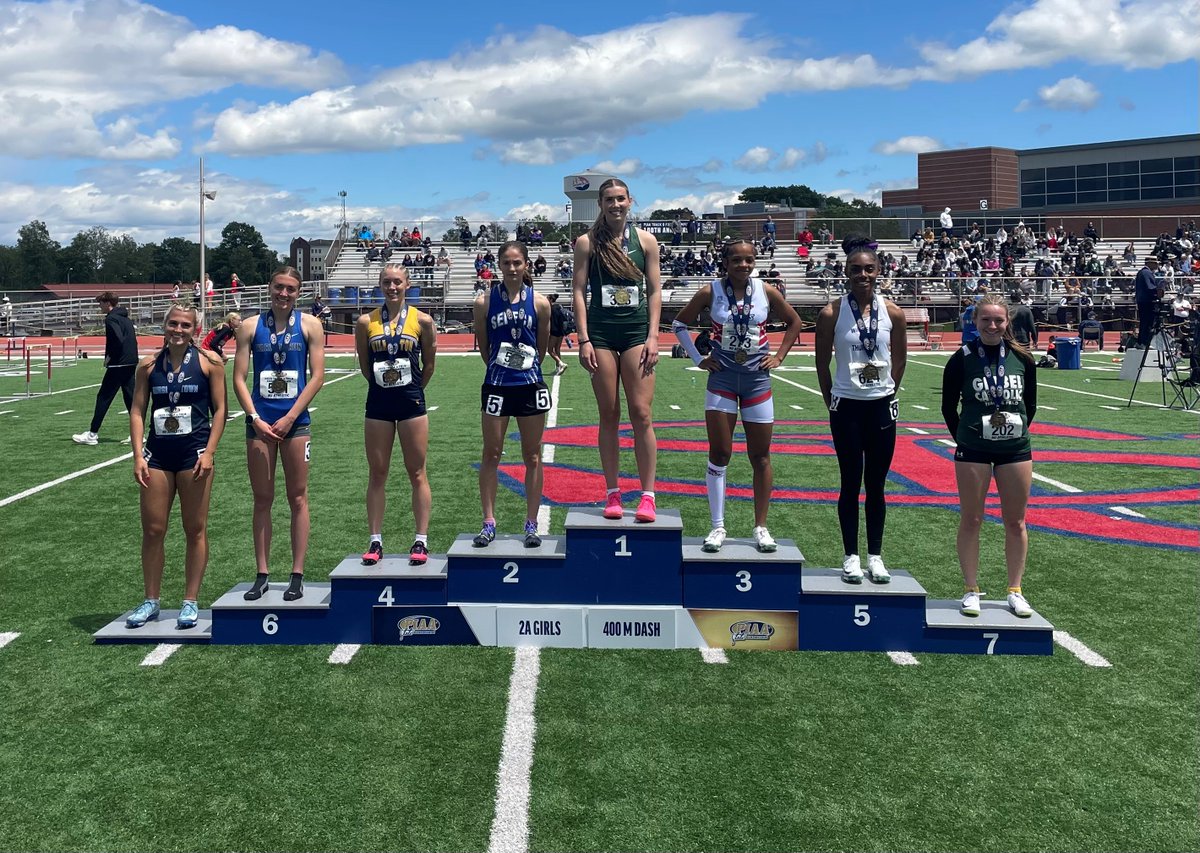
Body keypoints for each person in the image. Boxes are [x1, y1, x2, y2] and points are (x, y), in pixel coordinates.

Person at [672, 239, 802, 552]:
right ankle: (717, 527)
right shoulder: (710, 291)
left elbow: (795, 322)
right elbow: (679, 324)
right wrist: (698, 358)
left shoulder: (766, 291)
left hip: (757, 380)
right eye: (737, 260)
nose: (743, 265)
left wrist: (780, 357)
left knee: (760, 456)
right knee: (720, 453)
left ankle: (761, 527)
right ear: (726, 263)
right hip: (723, 379)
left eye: (749, 260)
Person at [124, 303, 226, 630]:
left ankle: (190, 601)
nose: (178, 330)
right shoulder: (148, 365)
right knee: (153, 530)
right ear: (164, 325)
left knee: (194, 529)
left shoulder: (210, 363)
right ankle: (151, 600)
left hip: (193, 454)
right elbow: (138, 410)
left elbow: (221, 410)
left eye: (185, 325)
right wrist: (138, 454)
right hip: (158, 455)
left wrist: (209, 451)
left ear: (195, 329)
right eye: (173, 324)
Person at [815, 235, 908, 584]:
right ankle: (851, 555)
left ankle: (876, 556)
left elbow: (900, 359)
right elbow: (821, 364)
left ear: (879, 271)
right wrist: (832, 401)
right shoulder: (831, 314)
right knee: (850, 482)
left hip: (881, 408)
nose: (862, 275)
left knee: (877, 485)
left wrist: (888, 391)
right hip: (847, 409)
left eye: (869, 269)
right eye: (856, 269)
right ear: (846, 272)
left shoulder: (892, 313)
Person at [941, 295, 1038, 618]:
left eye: (998, 320)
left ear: (1007, 322)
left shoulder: (1022, 358)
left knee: (1016, 521)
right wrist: (966, 437)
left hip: (1015, 449)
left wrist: (1015, 431)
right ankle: (971, 588)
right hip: (973, 449)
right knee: (972, 518)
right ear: (975, 322)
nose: (992, 326)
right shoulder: (962, 358)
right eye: (986, 320)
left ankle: (1015, 589)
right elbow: (948, 406)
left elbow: (1031, 404)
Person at [232, 267, 326, 601]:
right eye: (278, 288)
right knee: (262, 499)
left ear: (298, 292)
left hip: (295, 423)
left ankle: (297, 574)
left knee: (298, 497)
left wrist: (290, 417)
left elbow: (317, 377)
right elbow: (239, 378)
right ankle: (262, 573)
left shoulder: (311, 325)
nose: (283, 294)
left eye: (290, 289)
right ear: (269, 288)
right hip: (259, 424)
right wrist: (254, 417)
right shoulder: (249, 326)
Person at [571, 178, 662, 522]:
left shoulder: (646, 241)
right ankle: (612, 492)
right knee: (609, 414)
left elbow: (654, 290)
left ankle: (648, 495)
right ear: (600, 204)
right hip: (602, 335)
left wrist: (654, 336)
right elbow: (579, 291)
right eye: (609, 200)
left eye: (621, 199)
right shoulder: (587, 242)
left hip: (637, 332)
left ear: (630, 201)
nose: (615, 205)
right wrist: (583, 339)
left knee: (641, 413)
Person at [355, 263, 438, 567]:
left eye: (397, 282)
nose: (392, 287)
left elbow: (429, 364)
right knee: (377, 473)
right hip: (378, 404)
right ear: (380, 285)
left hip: (411, 404)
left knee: (417, 472)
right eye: (387, 282)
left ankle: (421, 539)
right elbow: (365, 365)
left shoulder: (423, 321)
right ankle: (375, 541)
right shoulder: (366, 322)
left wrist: (414, 388)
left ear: (407, 284)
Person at [471, 242, 552, 548]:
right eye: (507, 262)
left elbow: (541, 345)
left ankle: (531, 523)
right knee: (491, 453)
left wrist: (526, 367)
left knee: (532, 455)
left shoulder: (541, 303)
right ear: (499, 265)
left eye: (518, 262)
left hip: (530, 384)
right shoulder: (484, 302)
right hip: (497, 385)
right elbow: (483, 344)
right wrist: (500, 369)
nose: (512, 268)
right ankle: (488, 521)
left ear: (527, 265)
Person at [73, 292, 138, 446]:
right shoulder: (125, 318)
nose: (99, 306)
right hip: (130, 362)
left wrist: (110, 356)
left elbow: (117, 339)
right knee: (131, 400)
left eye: (101, 303)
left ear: (108, 303)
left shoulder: (111, 318)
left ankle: (92, 434)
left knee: (104, 397)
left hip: (118, 364)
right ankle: (138, 434)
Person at [1134, 256, 1163, 347]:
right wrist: (1158, 290)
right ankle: (1144, 342)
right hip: (1147, 301)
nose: (1157, 265)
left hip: (1143, 301)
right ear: (1149, 263)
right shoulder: (1146, 273)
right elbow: (1149, 287)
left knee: (1144, 322)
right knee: (1147, 322)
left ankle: (1141, 341)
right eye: (1155, 263)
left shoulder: (1142, 272)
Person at [547, 292, 569, 376]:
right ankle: (558, 369)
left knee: (550, 350)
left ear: (550, 299)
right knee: (557, 349)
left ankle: (561, 363)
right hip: (561, 332)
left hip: (554, 331)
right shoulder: (559, 307)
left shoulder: (550, 308)